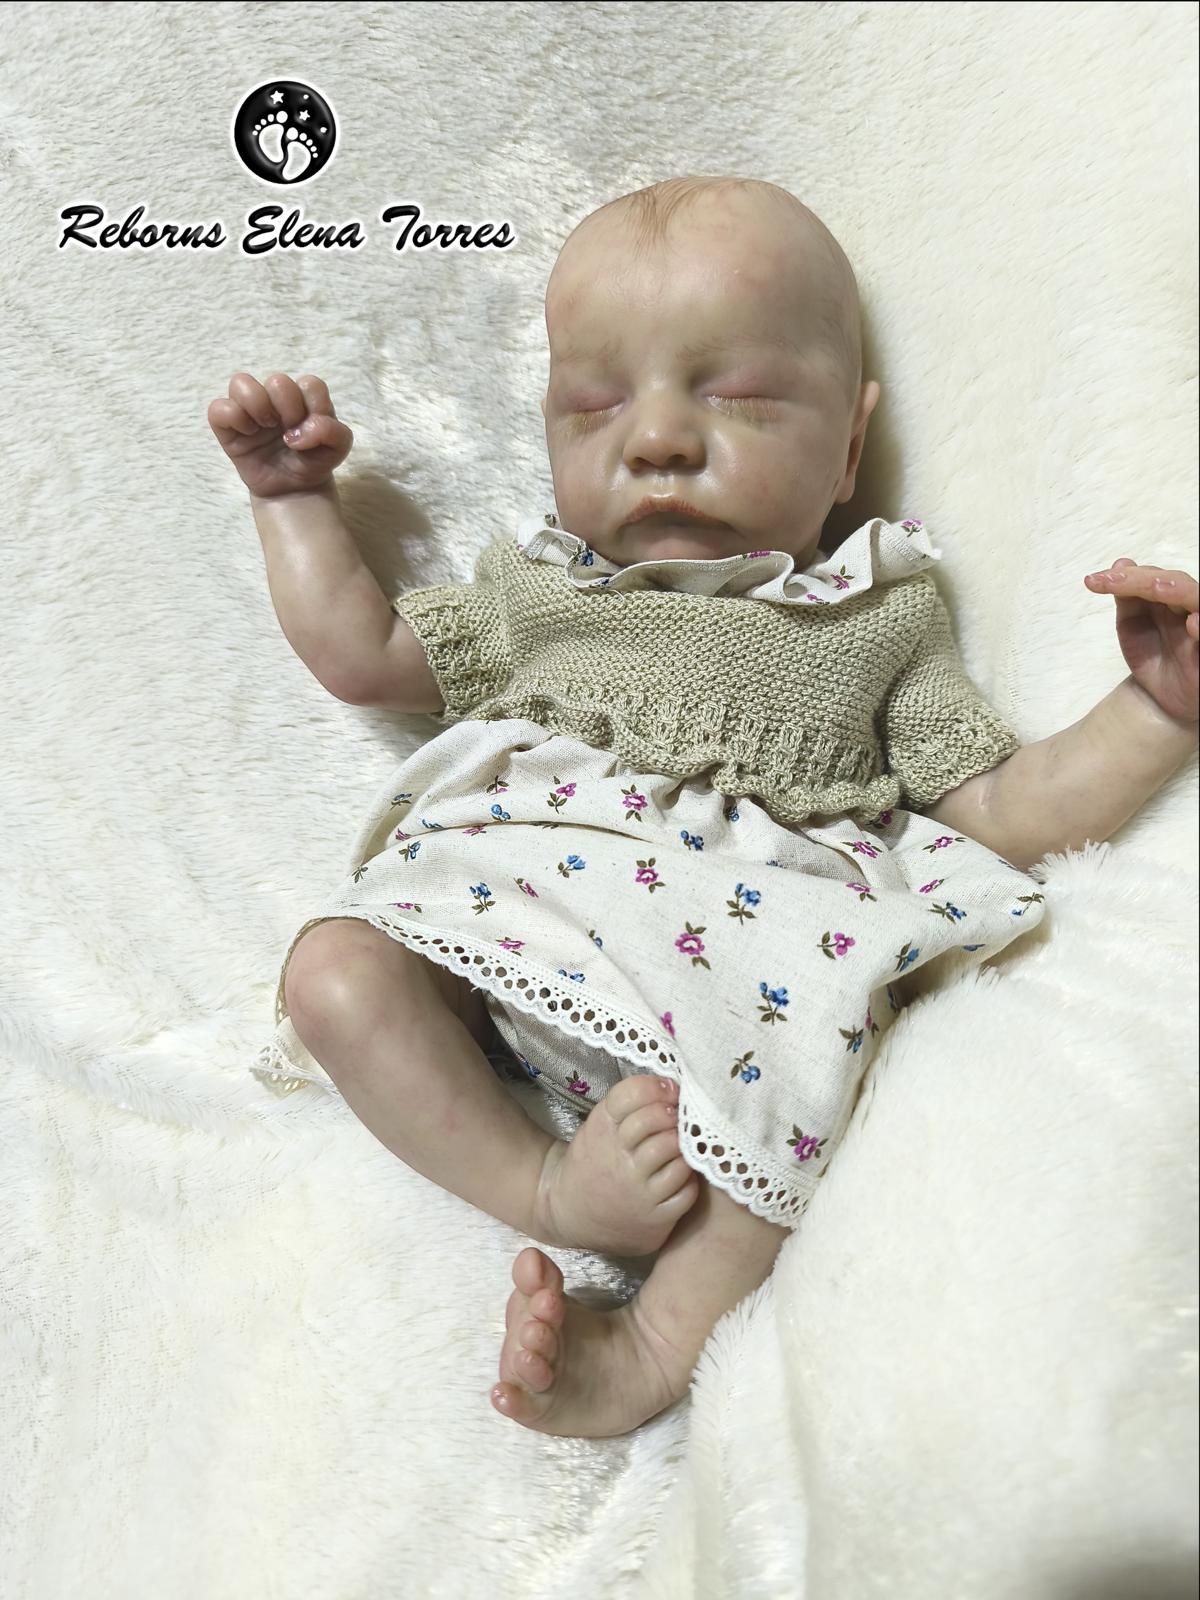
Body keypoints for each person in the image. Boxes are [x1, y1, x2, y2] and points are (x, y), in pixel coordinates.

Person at [207, 175, 1200, 1440]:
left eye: (735, 396)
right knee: (335, 974)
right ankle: (546, 1186)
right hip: (509, 928)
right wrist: (292, 503)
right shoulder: (542, 595)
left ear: (850, 443)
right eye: (596, 404)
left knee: (825, 1057)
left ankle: (651, 1344)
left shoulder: (877, 617)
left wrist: (1156, 710)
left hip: (746, 992)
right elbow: (366, 652)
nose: (659, 439)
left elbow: (999, 807)